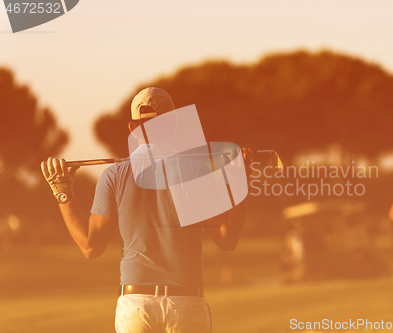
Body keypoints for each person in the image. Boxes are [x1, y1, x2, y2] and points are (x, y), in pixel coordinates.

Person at [41, 87, 254, 333]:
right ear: (174, 123)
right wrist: (240, 182)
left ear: (132, 128)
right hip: (186, 304)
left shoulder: (113, 176)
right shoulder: (196, 172)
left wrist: (62, 192)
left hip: (135, 306)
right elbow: (228, 240)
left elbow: (91, 247)